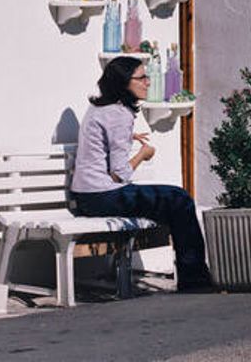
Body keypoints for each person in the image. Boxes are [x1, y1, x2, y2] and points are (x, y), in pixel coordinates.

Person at [70, 55, 214, 293]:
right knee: (179, 199)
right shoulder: (119, 115)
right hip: (103, 195)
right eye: (142, 77)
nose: (148, 82)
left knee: (174, 201)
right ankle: (194, 280)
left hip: (88, 194)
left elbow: (102, 142)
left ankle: (193, 276)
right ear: (124, 83)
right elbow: (120, 175)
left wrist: (128, 138)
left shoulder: (100, 107)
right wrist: (143, 154)